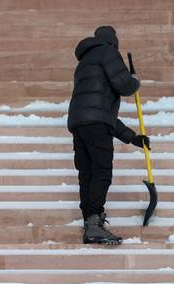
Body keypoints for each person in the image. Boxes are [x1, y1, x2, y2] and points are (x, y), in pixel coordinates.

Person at [67, 26, 150, 245]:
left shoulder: (83, 64)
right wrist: (134, 80)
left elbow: (101, 111)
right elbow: (124, 85)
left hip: (79, 122)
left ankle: (90, 221)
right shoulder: (108, 52)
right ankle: (94, 224)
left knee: (88, 172)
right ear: (113, 42)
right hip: (95, 123)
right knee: (102, 171)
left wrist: (132, 137)